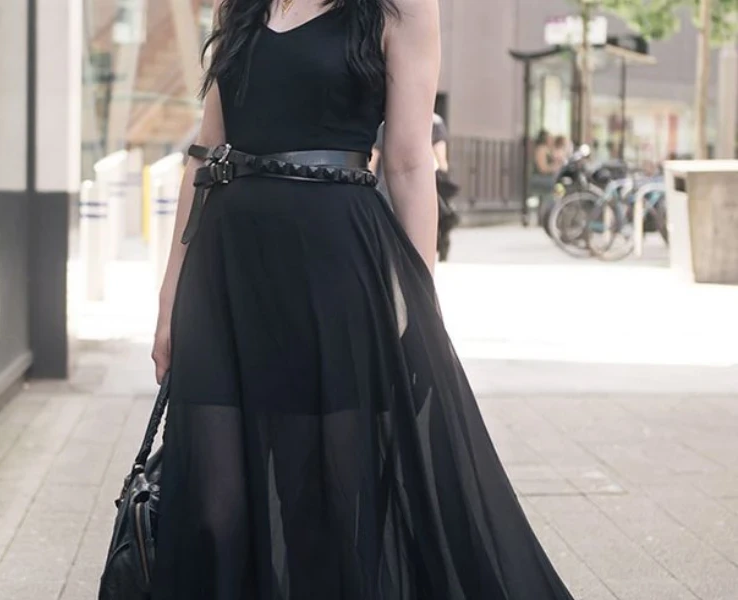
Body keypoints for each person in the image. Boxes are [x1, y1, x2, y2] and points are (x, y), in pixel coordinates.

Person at [150, 0, 576, 598]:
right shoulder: (240, 3)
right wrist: (171, 288)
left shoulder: (398, 8)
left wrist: (417, 298)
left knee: (323, 494)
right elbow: (205, 150)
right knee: (214, 501)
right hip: (225, 271)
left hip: (334, 269)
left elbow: (407, 161)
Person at [371, 113, 458, 261]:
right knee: (419, 221)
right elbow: (441, 159)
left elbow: (374, 157)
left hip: (386, 184)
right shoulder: (434, 122)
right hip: (421, 181)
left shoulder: (386, 123)